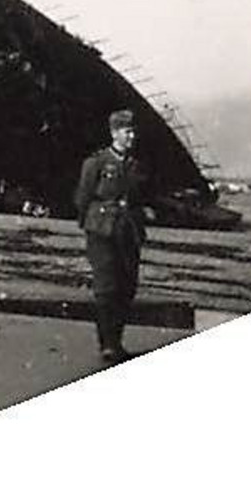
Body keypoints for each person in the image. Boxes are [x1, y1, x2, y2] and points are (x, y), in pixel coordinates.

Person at [74, 109, 148, 363]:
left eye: (133, 131)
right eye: (127, 131)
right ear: (114, 133)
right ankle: (107, 344)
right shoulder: (96, 163)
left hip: (129, 231)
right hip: (102, 230)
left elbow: (140, 198)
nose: (132, 136)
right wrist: (90, 225)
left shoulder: (136, 166)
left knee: (127, 287)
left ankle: (117, 340)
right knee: (107, 288)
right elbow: (82, 198)